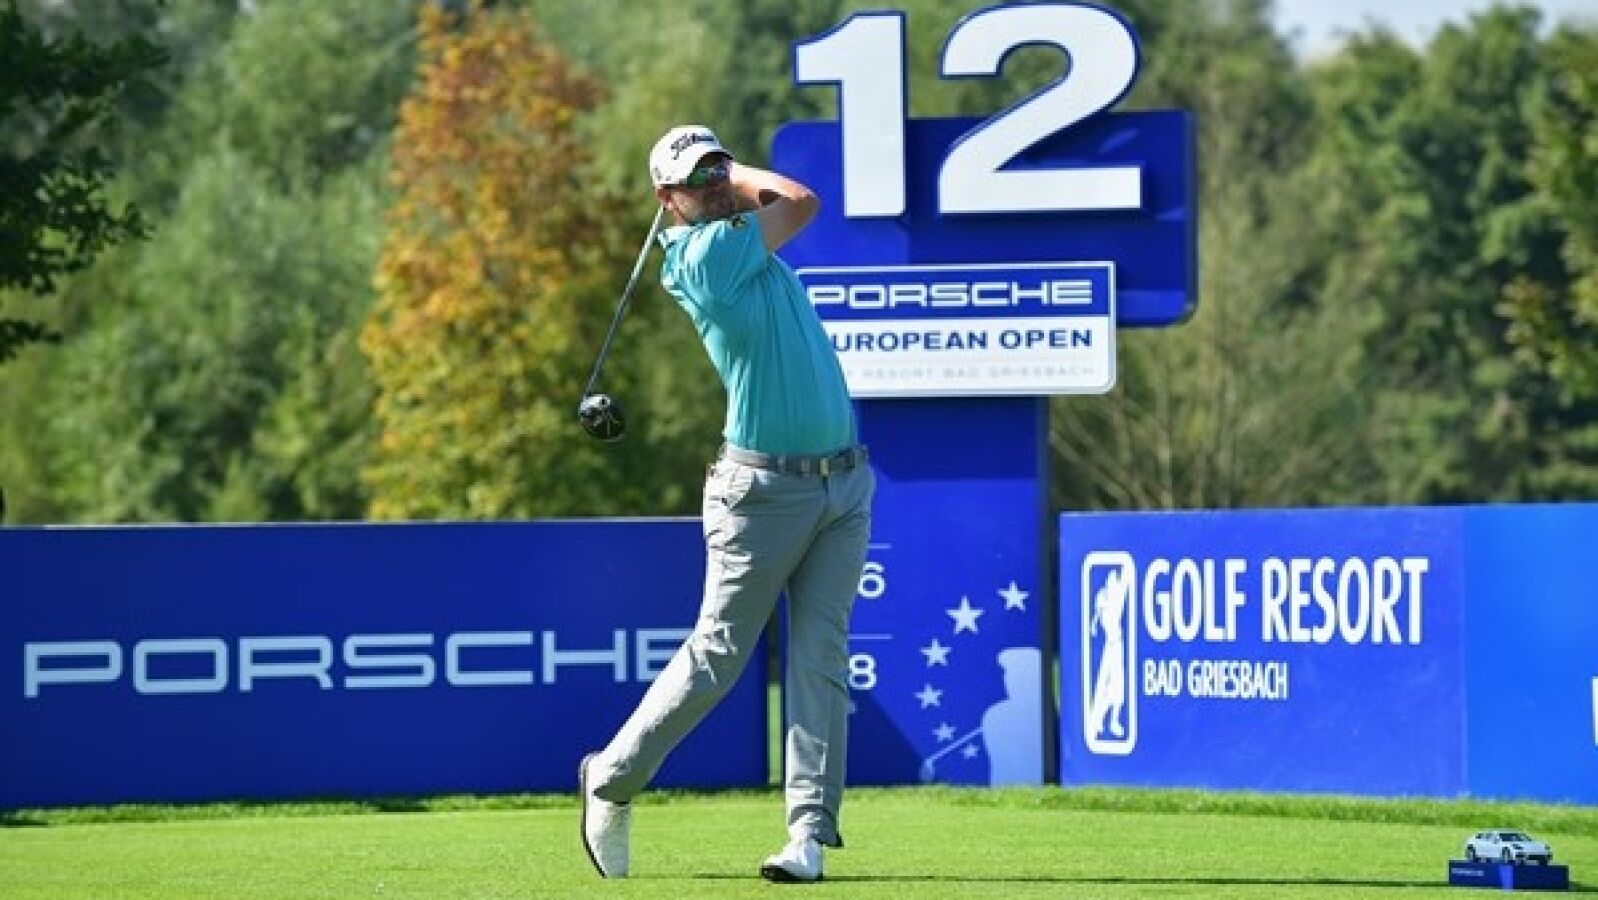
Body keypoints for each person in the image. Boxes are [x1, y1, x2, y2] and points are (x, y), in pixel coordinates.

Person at [578, 125, 874, 883]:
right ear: (666, 199)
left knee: (822, 658)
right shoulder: (704, 256)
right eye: (698, 179)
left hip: (842, 484)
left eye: (719, 171)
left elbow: (781, 209)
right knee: (718, 656)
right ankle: (611, 778)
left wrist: (717, 172)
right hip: (761, 494)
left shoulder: (745, 245)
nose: (714, 186)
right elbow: (799, 200)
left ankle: (807, 836)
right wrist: (737, 173)